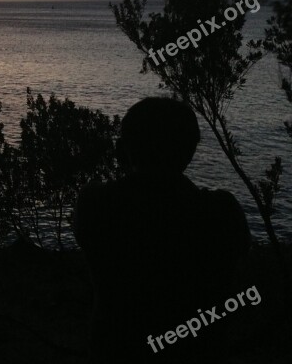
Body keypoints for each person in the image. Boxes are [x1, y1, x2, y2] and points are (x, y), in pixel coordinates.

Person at [73, 97, 251, 363]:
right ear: (189, 151)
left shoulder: (95, 204)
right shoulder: (221, 213)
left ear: (123, 149)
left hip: (117, 350)